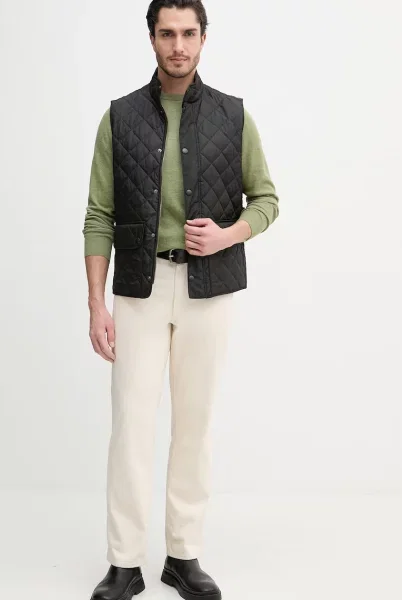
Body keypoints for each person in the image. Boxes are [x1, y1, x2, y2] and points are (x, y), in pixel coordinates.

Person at [82, 1, 279, 598]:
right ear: (151, 39)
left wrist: (227, 235)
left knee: (194, 426)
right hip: (140, 289)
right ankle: (123, 564)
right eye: (167, 33)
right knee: (131, 428)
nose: (178, 46)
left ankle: (183, 556)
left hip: (208, 289)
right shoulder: (119, 117)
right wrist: (96, 304)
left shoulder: (232, 116)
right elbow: (98, 215)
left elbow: (266, 200)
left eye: (188, 33)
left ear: (203, 38)